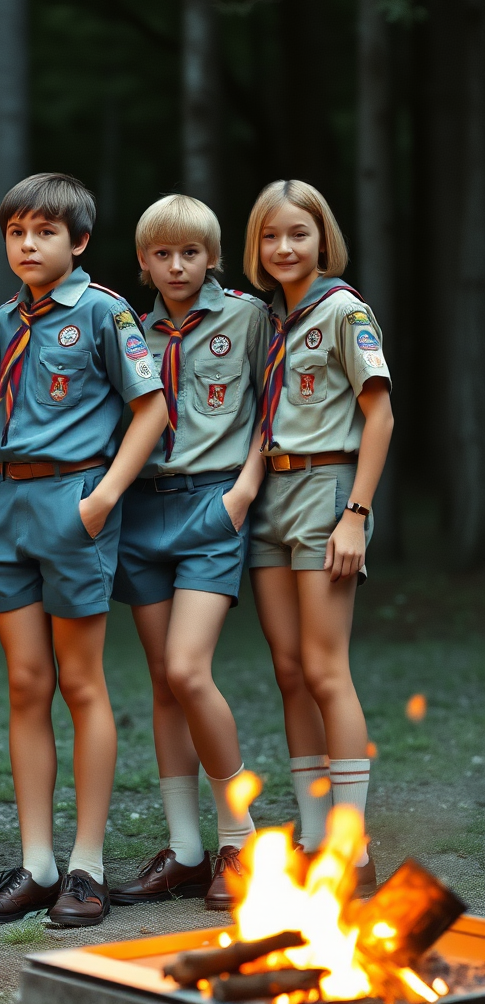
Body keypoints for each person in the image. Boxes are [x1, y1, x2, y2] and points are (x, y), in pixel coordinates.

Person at [0, 173, 167, 927]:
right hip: (4, 505)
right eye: (16, 231)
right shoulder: (2, 317)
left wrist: (103, 499)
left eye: (45, 232)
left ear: (77, 241)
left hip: (73, 504)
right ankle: (38, 864)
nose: (28, 244)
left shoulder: (106, 311)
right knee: (24, 684)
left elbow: (151, 409)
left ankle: (87, 868)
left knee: (81, 685)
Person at [106, 195, 269, 912]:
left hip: (212, 504)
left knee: (187, 668)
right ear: (143, 263)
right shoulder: (129, 332)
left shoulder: (248, 316)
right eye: (163, 254)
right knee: (161, 682)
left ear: (214, 257)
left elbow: (275, 407)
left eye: (191, 253)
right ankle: (185, 849)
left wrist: (244, 491)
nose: (177, 266)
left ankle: (240, 838)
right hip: (143, 510)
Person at [244, 180, 393, 893]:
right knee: (289, 669)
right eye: (271, 236)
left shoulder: (342, 310)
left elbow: (382, 415)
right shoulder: (272, 319)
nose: (284, 248)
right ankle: (310, 835)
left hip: (326, 491)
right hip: (271, 492)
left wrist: (356, 515)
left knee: (326, 666)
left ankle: (352, 850)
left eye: (298, 234)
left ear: (322, 238)